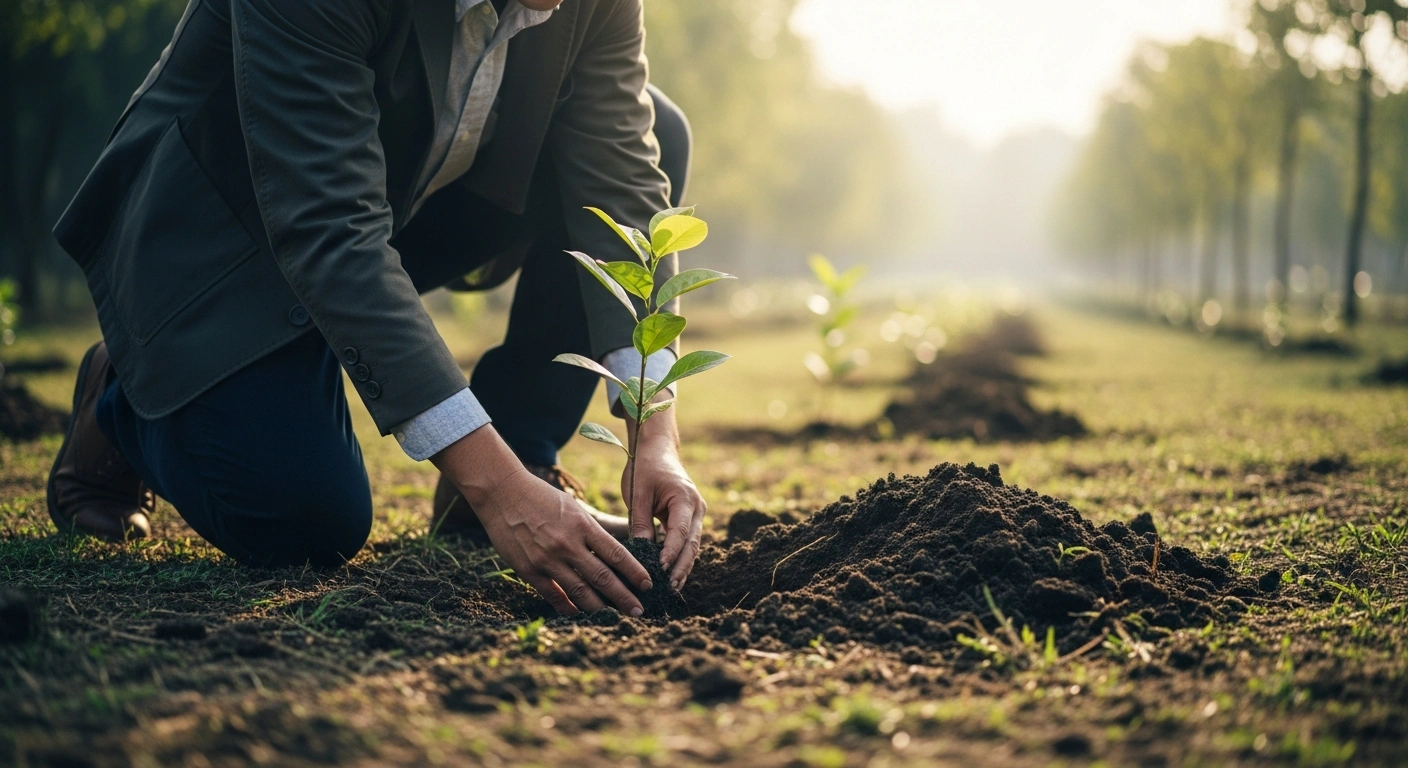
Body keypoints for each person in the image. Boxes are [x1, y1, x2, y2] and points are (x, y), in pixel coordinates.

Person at [45, 0, 708, 619]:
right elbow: (329, 224)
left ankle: (521, 455)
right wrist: (495, 487)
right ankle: (128, 385)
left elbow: (621, 177)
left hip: (394, 198)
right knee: (304, 521)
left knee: (661, 131)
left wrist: (656, 434)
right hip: (216, 238)